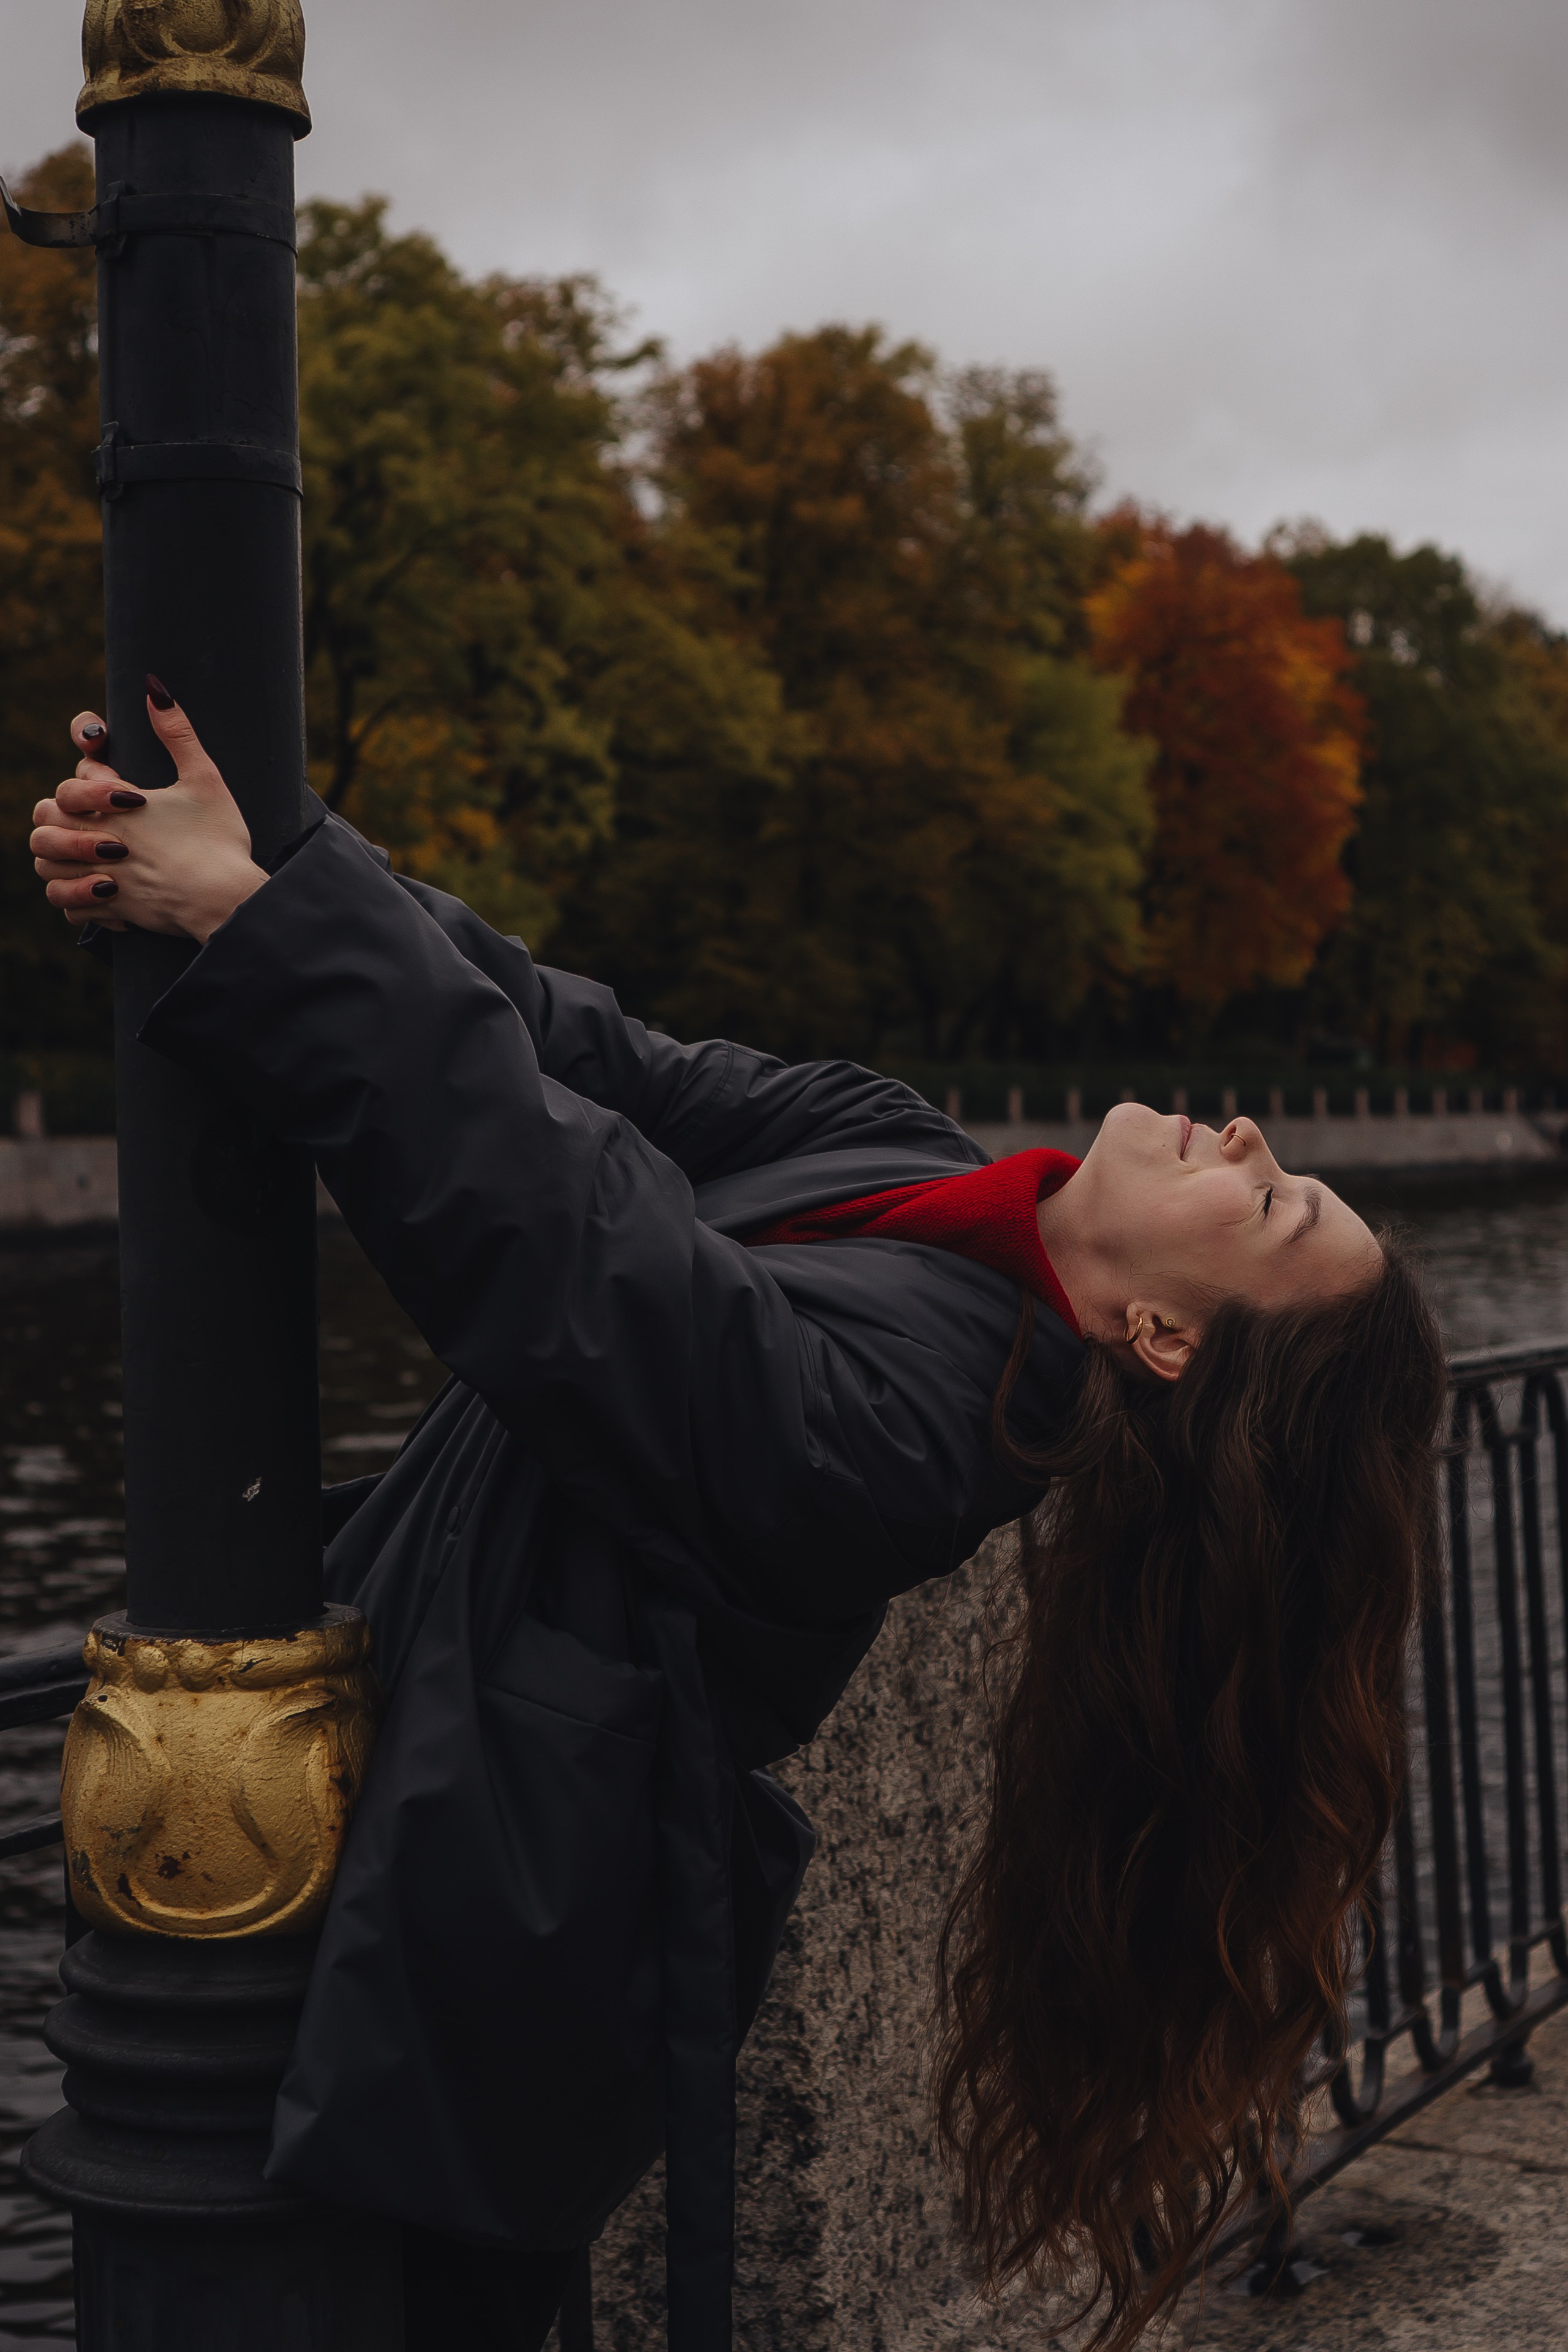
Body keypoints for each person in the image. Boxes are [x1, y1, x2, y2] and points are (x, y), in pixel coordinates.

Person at [32, 688, 1448, 2352]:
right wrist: (270, 850)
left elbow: (574, 1247)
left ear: (1168, 1340)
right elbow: (579, 1054)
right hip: (360, 1831)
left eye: (1270, 1203)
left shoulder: (916, 1443)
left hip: (433, 1972)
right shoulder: (909, 1153)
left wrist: (268, 923)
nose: (1250, 1136)